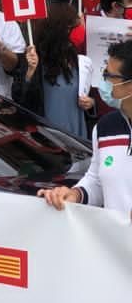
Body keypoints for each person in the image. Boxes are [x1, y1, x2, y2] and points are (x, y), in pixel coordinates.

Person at [39, 40, 132, 216]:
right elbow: (97, 181)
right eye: (104, 73)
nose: (104, 82)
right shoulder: (105, 128)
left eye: (110, 77)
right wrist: (74, 194)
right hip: (113, 241)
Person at [13, 4, 92, 139]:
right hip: (50, 142)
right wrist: (30, 73)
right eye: (74, 26)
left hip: (78, 139)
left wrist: (90, 103)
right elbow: (20, 100)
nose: (80, 30)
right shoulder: (36, 61)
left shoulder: (79, 61)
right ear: (60, 30)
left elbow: (90, 98)